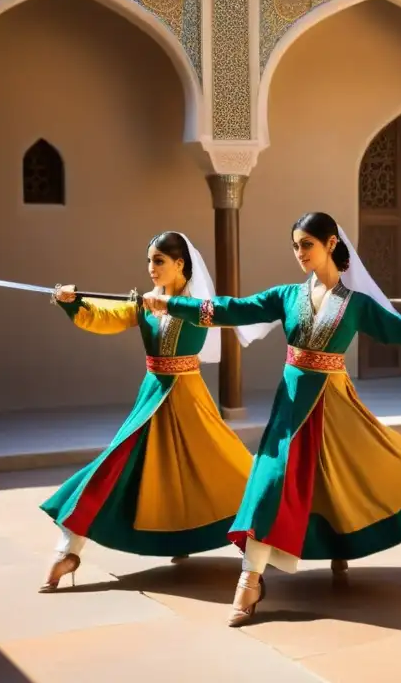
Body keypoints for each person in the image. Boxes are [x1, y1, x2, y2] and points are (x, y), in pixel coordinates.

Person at [143, 212, 401, 628]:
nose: (299, 253)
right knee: (268, 484)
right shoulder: (287, 296)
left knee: (398, 467)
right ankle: (250, 580)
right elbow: (232, 309)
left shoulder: (356, 305)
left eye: (307, 244)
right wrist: (173, 302)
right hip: (291, 409)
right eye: (295, 246)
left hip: (335, 406)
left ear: (331, 244)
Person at [40, 232, 258, 592]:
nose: (151, 268)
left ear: (180, 264)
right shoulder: (145, 302)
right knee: (112, 469)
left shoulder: (198, 305)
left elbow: (217, 314)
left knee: (224, 469)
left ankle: (258, 542)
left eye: (159, 261)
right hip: (152, 397)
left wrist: (167, 305)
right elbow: (107, 315)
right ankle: (69, 549)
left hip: (187, 399)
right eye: (149, 261)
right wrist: (73, 301)